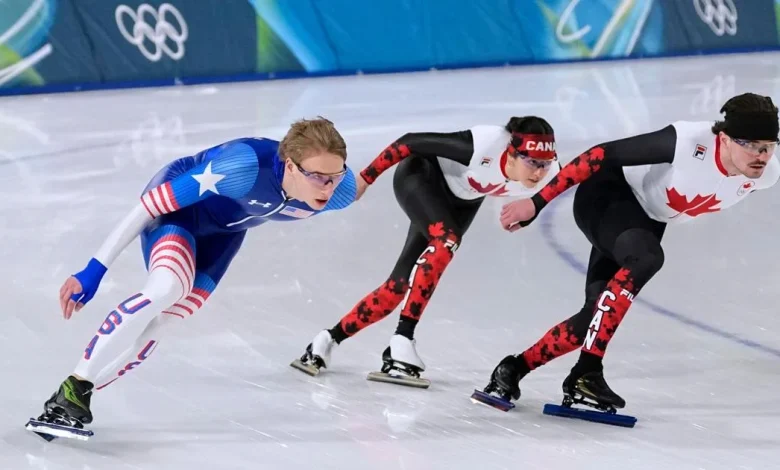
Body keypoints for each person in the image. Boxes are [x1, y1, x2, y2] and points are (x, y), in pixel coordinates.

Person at [28, 117, 367, 439]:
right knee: (168, 288)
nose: (328, 187)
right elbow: (148, 207)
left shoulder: (340, 191)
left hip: (225, 235)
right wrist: (94, 270)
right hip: (180, 214)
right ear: (290, 166)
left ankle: (75, 397)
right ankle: (77, 381)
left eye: (335, 176)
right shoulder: (244, 166)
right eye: (318, 177)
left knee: (168, 320)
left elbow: (357, 184)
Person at [476, 92, 780, 413]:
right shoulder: (688, 142)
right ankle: (587, 371)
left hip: (646, 219)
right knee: (647, 258)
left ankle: (514, 368)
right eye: (751, 145)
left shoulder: (767, 174)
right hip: (608, 193)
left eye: (769, 146)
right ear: (725, 139)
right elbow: (599, 155)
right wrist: (536, 203)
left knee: (595, 317)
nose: (761, 155)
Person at [291, 116, 561, 387]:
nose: (539, 172)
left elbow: (557, 190)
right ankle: (402, 339)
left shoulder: (551, 173)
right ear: (511, 154)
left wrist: (531, 212)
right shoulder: (484, 145)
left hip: (463, 200)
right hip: (421, 176)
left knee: (399, 286)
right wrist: (365, 178)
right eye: (531, 162)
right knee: (447, 240)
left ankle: (327, 340)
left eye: (544, 164)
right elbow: (409, 142)